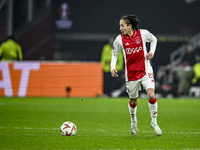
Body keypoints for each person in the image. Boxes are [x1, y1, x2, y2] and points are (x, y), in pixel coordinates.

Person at [111, 14, 162, 136]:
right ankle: (133, 122)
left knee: (151, 95)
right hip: (131, 75)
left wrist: (151, 52)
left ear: (130, 26)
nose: (120, 28)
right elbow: (114, 54)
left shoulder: (142, 34)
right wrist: (112, 68)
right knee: (133, 101)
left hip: (145, 70)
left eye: (122, 25)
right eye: (120, 26)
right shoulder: (119, 39)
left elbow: (154, 39)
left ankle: (154, 122)